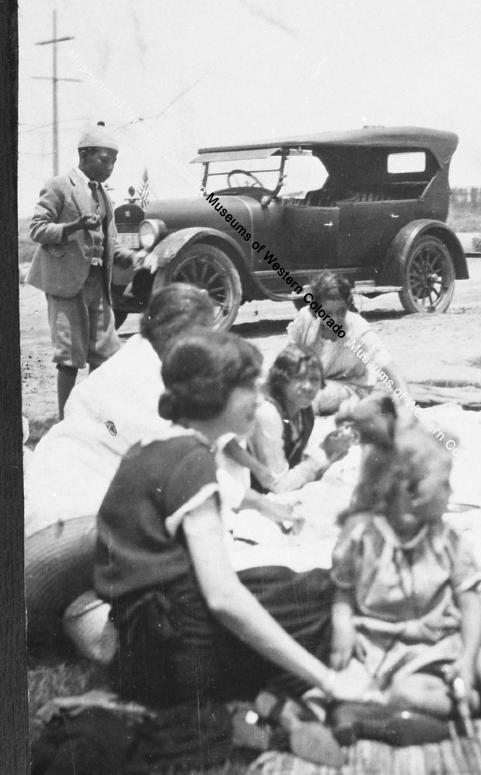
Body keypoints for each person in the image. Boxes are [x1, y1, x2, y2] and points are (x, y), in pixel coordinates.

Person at [94, 330, 366, 710]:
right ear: (214, 392)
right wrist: (326, 679)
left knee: (288, 582)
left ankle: (279, 695)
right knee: (323, 597)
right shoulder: (192, 463)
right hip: (178, 655)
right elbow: (223, 598)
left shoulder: (148, 448)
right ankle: (309, 691)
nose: (258, 398)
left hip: (136, 649)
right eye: (249, 388)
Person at [24, 283, 218, 650]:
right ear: (178, 335)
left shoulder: (126, 364)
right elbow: (186, 474)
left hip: (41, 527)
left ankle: (87, 616)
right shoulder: (149, 387)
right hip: (70, 534)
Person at [329, 425, 481, 721]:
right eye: (444, 485)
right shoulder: (362, 534)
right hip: (374, 646)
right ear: (408, 490)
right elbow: (343, 588)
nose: (450, 492)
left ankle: (390, 709)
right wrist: (342, 626)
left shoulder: (448, 541)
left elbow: (471, 604)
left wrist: (467, 658)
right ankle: (384, 711)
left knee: (411, 692)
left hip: (432, 649)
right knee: (338, 682)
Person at [27, 121, 136, 419]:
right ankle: (66, 422)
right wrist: (74, 226)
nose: (110, 166)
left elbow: (109, 239)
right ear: (84, 156)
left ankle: (96, 417)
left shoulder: (103, 195)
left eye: (114, 161)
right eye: (104, 159)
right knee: (69, 357)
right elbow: (36, 229)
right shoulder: (60, 185)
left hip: (97, 285)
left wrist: (128, 256)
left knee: (104, 352)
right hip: (65, 283)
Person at [286, 270, 410, 415]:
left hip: (350, 385)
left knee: (307, 398)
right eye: (327, 313)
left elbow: (385, 362)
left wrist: (406, 401)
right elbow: (288, 357)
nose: (336, 319)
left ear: (348, 305)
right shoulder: (305, 319)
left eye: (341, 311)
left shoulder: (357, 327)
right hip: (313, 381)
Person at [247, 344, 354, 493]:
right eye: (298, 378)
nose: (308, 387)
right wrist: (324, 452)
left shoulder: (304, 409)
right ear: (281, 381)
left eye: (314, 379)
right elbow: (278, 486)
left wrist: (330, 444)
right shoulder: (268, 413)